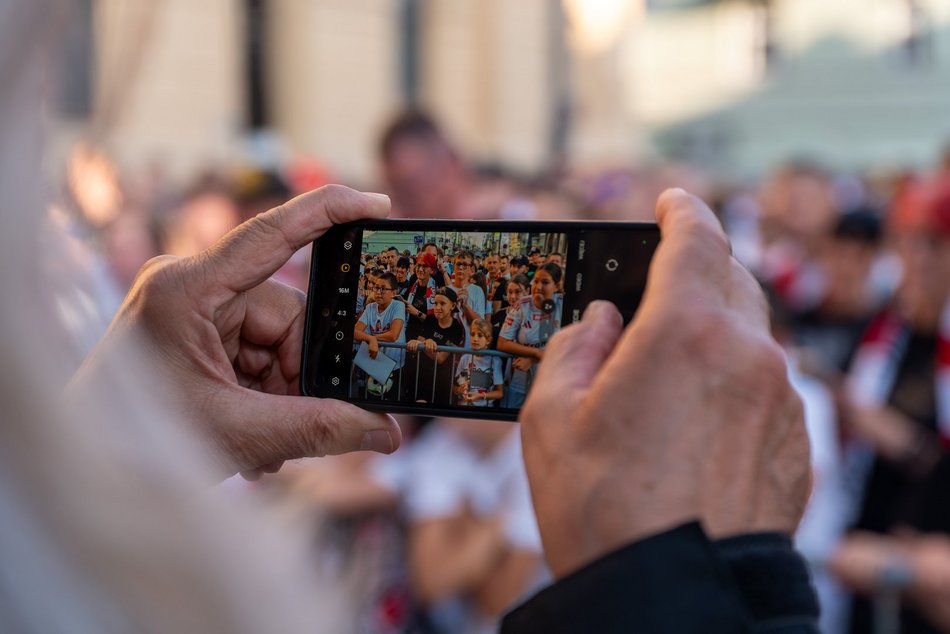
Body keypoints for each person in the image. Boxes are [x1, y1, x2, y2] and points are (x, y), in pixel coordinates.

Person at [497, 263, 564, 408]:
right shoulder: (522, 305)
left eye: (545, 282)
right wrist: (536, 353)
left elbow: (567, 345)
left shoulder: (563, 305)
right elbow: (502, 342)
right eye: (536, 281)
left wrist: (533, 359)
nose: (538, 287)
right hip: (520, 380)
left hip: (550, 381)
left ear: (557, 286)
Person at [405, 286, 465, 404]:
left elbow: (441, 358)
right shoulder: (430, 319)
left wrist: (424, 344)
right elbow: (420, 339)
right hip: (422, 377)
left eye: (442, 303)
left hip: (442, 381)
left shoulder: (456, 328)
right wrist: (426, 342)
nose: (438, 307)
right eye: (436, 303)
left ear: (452, 306)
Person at [354, 271, 406, 370]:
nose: (378, 292)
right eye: (376, 288)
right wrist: (371, 339)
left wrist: (372, 338)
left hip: (393, 366)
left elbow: (393, 335)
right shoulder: (370, 307)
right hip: (373, 363)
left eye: (383, 289)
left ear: (393, 293)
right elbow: (355, 331)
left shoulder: (398, 306)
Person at [455, 319, 504, 408]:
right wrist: (460, 389)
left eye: (480, 335)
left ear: (488, 340)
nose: (475, 339)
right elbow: (455, 386)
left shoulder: (495, 361)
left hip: (483, 411)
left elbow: (500, 393)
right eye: (472, 334)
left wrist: (481, 396)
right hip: (463, 406)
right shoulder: (465, 358)